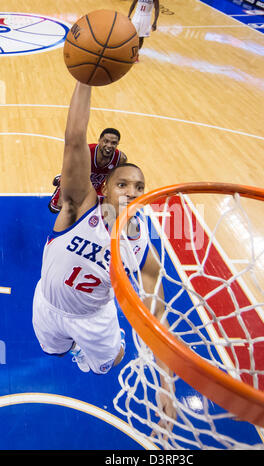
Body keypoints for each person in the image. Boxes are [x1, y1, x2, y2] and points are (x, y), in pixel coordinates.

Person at [32, 81, 176, 431]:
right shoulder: (79, 207)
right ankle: (74, 348)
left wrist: (166, 385)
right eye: (123, 184)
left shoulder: (142, 251)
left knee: (113, 362)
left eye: (139, 186)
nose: (132, 191)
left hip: (94, 319)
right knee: (53, 352)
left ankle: (105, 347)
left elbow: (158, 321)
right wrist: (85, 79)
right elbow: (74, 140)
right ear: (105, 188)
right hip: (48, 305)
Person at [48, 128, 127, 213]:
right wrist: (61, 197)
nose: (109, 145)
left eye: (113, 143)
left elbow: (116, 181)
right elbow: (68, 171)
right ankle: (60, 179)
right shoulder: (85, 152)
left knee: (100, 213)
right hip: (75, 184)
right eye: (106, 141)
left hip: (95, 188)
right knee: (55, 209)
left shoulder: (120, 159)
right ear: (99, 140)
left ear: (117, 144)